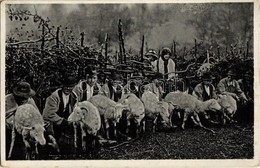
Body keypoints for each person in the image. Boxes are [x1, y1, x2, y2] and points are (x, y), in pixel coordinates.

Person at [5, 81, 38, 159]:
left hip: (25, 130)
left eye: (26, 97)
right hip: (8, 130)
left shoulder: (30, 100)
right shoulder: (7, 100)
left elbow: (36, 115)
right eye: (21, 97)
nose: (24, 99)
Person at [42, 75, 78, 145]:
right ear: (63, 86)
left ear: (73, 87)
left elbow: (75, 111)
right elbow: (49, 114)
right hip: (52, 122)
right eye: (66, 86)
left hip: (65, 122)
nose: (68, 88)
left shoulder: (74, 97)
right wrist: (63, 121)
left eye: (70, 87)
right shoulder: (54, 97)